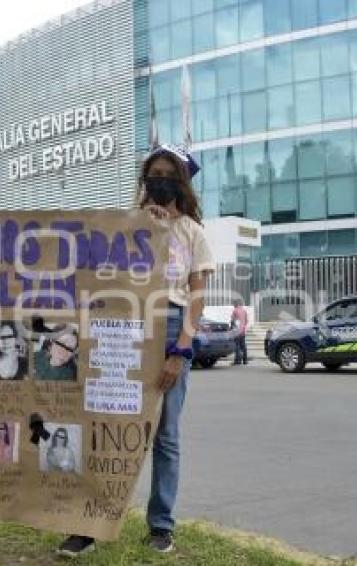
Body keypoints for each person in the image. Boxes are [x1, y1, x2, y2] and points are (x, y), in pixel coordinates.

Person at [57, 145, 214, 557]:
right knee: (106, 427)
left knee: (165, 435)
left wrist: (182, 351)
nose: (158, 180)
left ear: (182, 182)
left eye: (168, 174)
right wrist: (141, 227)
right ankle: (88, 526)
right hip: (126, 328)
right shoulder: (126, 226)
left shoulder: (194, 233)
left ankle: (161, 526)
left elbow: (197, 295)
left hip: (172, 326)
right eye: (153, 173)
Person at [230, 299, 248, 365]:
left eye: (234, 304)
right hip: (243, 331)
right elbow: (246, 321)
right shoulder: (244, 311)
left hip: (236, 332)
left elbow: (232, 321)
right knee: (243, 346)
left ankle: (237, 361)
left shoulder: (235, 311)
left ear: (236, 304)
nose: (233, 305)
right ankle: (245, 360)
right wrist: (243, 327)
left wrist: (231, 329)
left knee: (237, 346)